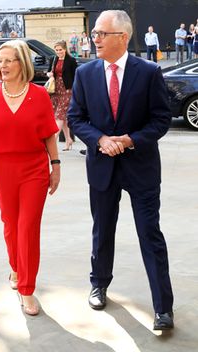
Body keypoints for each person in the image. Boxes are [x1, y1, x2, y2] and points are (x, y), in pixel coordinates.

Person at [68, 10, 174, 331]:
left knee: (149, 234)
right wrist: (99, 139)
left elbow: (161, 119)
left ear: (122, 37)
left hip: (141, 167)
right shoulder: (85, 74)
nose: (94, 39)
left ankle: (163, 307)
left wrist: (130, 140)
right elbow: (76, 118)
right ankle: (99, 285)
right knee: (102, 231)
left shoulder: (149, 72)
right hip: (102, 167)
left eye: (102, 33)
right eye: (94, 34)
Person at [0, 39, 60, 316]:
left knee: (28, 227)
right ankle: (16, 267)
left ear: (23, 62)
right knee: (10, 224)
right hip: (3, 169)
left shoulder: (40, 95)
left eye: (9, 60)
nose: (3, 65)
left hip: (34, 168)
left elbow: (48, 133)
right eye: (0, 60)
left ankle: (27, 289)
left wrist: (55, 165)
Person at [47, 40, 77, 151]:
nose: (58, 52)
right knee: (61, 116)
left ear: (65, 49)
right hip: (55, 89)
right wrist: (49, 74)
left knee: (59, 115)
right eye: (56, 50)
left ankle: (52, 141)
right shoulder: (53, 59)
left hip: (67, 90)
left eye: (60, 50)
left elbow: (76, 76)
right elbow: (49, 71)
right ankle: (68, 139)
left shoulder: (71, 61)